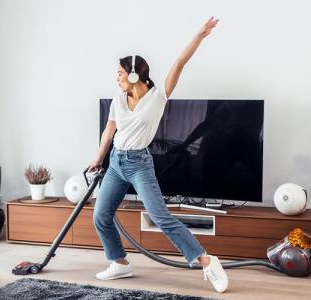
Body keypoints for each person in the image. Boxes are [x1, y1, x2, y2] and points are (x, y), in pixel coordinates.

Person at [88, 17, 228, 293]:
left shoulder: (158, 96)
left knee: (160, 216)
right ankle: (120, 262)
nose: (116, 78)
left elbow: (179, 63)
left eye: (119, 73)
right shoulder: (118, 99)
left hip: (139, 163)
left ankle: (207, 260)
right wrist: (97, 158)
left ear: (132, 75)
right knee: (101, 216)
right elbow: (108, 132)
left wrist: (199, 35)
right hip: (116, 162)